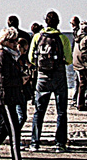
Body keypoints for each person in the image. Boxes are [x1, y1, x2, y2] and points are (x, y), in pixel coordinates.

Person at [0, 28, 30, 160]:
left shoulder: (13, 57)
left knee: (3, 129)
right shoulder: (1, 58)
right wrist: (20, 80)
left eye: (15, 41)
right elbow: (2, 80)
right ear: (4, 42)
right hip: (4, 97)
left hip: (12, 96)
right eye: (12, 41)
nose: (15, 44)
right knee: (14, 130)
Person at [29, 12, 72, 150]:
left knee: (39, 111)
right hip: (59, 76)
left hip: (42, 77)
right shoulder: (62, 38)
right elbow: (69, 60)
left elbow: (31, 58)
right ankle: (60, 143)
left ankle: (35, 142)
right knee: (61, 111)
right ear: (58, 22)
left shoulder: (37, 37)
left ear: (45, 22)